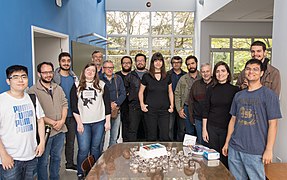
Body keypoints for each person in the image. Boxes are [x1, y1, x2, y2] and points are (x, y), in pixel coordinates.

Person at [222, 59, 281, 179]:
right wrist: (227, 143)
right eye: (248, 69)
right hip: (235, 148)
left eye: (255, 69)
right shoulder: (239, 95)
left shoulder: (269, 95)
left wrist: (269, 149)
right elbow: (233, 120)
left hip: (255, 151)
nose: (251, 72)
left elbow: (273, 124)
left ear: (261, 73)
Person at [0, 65, 45, 179]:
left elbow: (40, 120)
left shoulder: (32, 98)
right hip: (11, 158)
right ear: (8, 81)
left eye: (23, 76)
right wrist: (3, 155)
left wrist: (42, 143)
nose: (20, 80)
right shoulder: (2, 101)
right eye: (15, 77)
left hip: (31, 156)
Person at [70, 62, 111, 179]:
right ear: (84, 71)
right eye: (88, 70)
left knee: (95, 148)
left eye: (93, 70)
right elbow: (74, 106)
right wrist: (79, 123)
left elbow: (107, 105)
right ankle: (81, 173)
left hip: (99, 122)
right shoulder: (76, 85)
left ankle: (95, 171)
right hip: (83, 123)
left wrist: (107, 122)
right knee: (83, 149)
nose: (90, 72)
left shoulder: (102, 85)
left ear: (96, 73)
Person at [28, 62, 68, 180]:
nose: (48, 75)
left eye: (50, 72)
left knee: (56, 158)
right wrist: (52, 122)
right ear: (39, 73)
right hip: (45, 132)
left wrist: (62, 121)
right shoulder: (33, 91)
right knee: (43, 161)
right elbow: (36, 113)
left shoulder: (58, 88)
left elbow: (64, 105)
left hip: (60, 130)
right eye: (45, 72)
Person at [202, 61, 239, 168]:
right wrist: (204, 129)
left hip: (227, 128)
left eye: (223, 71)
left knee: (225, 156)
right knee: (213, 156)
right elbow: (206, 109)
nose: (220, 73)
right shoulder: (210, 89)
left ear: (228, 73)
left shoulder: (235, 90)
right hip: (212, 127)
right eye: (217, 71)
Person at [138, 52, 174, 141]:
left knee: (165, 136)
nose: (158, 63)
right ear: (152, 62)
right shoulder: (147, 76)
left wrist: (172, 105)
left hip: (164, 111)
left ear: (163, 62)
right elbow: (140, 92)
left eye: (160, 60)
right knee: (151, 136)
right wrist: (142, 104)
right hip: (150, 111)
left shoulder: (167, 76)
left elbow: (170, 92)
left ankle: (164, 154)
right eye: (156, 60)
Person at [53, 52, 78, 171]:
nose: (66, 63)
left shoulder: (74, 78)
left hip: (71, 115)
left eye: (68, 61)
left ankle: (69, 164)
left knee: (71, 142)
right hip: (57, 116)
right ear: (59, 62)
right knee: (56, 144)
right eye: (63, 61)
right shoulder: (54, 79)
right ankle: (54, 167)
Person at [174, 55, 201, 141]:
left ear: (196, 63)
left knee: (200, 132)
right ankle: (189, 152)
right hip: (186, 108)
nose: (191, 66)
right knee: (189, 133)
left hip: (199, 109)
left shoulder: (202, 76)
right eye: (188, 64)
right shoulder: (183, 79)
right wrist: (179, 109)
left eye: (192, 63)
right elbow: (177, 94)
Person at [101, 60, 126, 147]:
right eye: (107, 68)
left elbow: (123, 93)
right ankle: (100, 156)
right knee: (101, 137)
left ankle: (111, 155)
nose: (109, 69)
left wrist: (116, 103)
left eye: (111, 67)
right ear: (103, 69)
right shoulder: (98, 79)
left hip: (116, 110)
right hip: (102, 111)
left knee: (114, 137)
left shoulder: (118, 78)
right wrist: (108, 104)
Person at [188, 63, 213, 144]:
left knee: (212, 142)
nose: (205, 74)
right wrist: (192, 118)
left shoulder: (216, 84)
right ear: (200, 73)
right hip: (198, 119)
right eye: (203, 72)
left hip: (213, 120)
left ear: (211, 72)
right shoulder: (196, 85)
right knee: (201, 142)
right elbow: (191, 101)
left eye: (207, 71)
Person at [125, 53, 148, 141]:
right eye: (138, 61)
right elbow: (125, 89)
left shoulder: (150, 75)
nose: (140, 62)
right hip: (134, 106)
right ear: (135, 62)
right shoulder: (129, 76)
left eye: (142, 61)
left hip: (148, 105)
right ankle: (131, 150)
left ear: (145, 62)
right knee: (132, 130)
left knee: (149, 130)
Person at [167, 56, 186, 141]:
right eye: (174, 62)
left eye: (178, 62)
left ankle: (179, 146)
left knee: (182, 128)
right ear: (172, 64)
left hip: (181, 105)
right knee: (169, 128)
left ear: (181, 64)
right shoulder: (167, 74)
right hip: (169, 104)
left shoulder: (186, 75)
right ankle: (170, 146)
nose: (176, 64)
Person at [115, 56, 132, 142]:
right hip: (118, 105)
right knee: (115, 130)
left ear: (131, 64)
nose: (126, 65)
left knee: (127, 128)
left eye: (128, 63)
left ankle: (126, 146)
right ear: (121, 64)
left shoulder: (134, 75)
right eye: (124, 63)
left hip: (129, 106)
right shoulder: (116, 76)